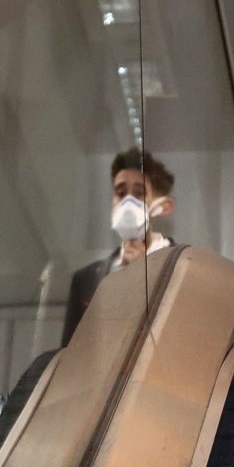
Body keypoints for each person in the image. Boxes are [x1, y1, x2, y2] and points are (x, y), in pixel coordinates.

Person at [62, 148, 176, 345]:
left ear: (162, 207)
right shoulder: (85, 279)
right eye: (120, 193)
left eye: (139, 193)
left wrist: (142, 276)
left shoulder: (184, 267)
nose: (127, 202)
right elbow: (70, 351)